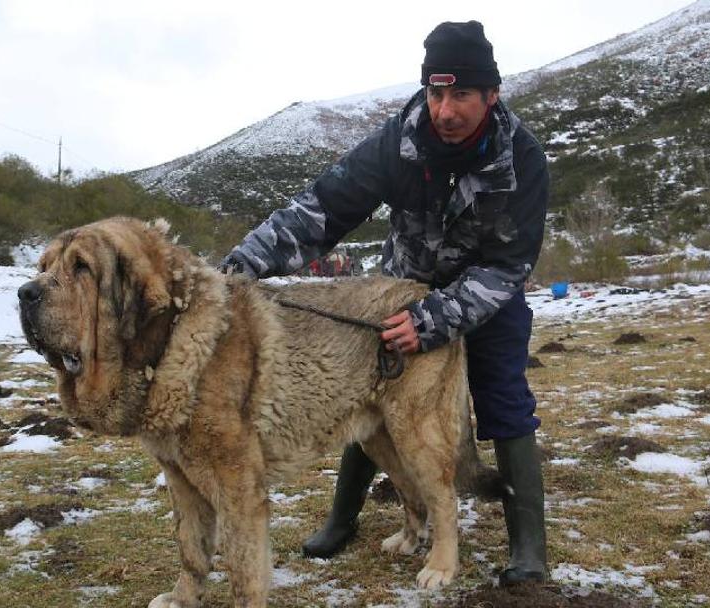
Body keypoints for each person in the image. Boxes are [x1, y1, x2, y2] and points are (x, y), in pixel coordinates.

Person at [218, 20, 549, 586]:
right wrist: (234, 272)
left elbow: (507, 266)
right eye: (436, 93)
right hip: (400, 290)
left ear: (491, 94)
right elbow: (319, 211)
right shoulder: (397, 141)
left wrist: (435, 320)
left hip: (485, 297)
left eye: (462, 94)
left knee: (505, 401)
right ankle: (342, 520)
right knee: (366, 392)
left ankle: (528, 546)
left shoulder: (522, 159)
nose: (445, 110)